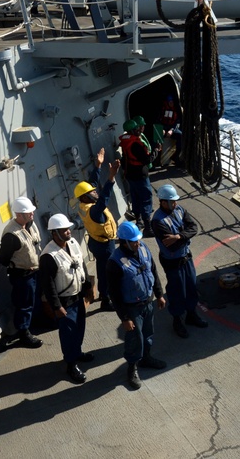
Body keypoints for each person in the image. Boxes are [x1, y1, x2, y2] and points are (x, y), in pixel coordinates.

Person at [106, 221, 167, 390]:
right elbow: (115, 294)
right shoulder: (115, 262)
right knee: (135, 339)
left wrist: (159, 294)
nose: (137, 243)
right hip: (131, 308)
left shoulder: (143, 248)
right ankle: (132, 368)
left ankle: (146, 358)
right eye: (133, 241)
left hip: (147, 302)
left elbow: (152, 271)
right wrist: (124, 318)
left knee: (148, 333)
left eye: (138, 240)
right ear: (123, 242)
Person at [39, 214, 94, 384]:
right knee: (68, 333)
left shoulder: (73, 243)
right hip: (64, 302)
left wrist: (88, 289)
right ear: (54, 233)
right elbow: (48, 285)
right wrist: (56, 306)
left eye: (68, 228)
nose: (68, 231)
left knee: (79, 328)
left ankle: (77, 353)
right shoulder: (48, 255)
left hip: (77, 296)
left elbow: (81, 266)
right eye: (64, 230)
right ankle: (71, 364)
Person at [151, 184, 206, 339]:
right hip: (172, 261)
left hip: (185, 257)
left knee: (191, 286)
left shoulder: (180, 210)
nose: (174, 204)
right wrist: (182, 237)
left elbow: (194, 227)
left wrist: (179, 236)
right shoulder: (157, 221)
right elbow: (172, 244)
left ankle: (191, 314)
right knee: (176, 291)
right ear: (162, 202)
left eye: (175, 201)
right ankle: (177, 320)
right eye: (171, 201)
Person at [75, 148, 121, 311]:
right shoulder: (93, 210)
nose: (95, 192)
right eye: (92, 193)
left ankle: (106, 293)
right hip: (103, 244)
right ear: (85, 197)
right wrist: (111, 176)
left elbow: (92, 183)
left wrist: (98, 165)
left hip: (96, 240)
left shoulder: (84, 202)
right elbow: (103, 198)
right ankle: (106, 298)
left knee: (105, 267)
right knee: (106, 270)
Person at [0, 196, 44, 349]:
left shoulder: (29, 224)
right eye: (29, 213)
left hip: (35, 271)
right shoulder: (11, 235)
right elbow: (3, 259)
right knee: (24, 304)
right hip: (22, 276)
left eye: (32, 212)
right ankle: (24, 333)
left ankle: (33, 323)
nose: (32, 215)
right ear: (19, 215)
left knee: (33, 300)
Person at [118, 117, 154, 235]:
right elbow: (146, 159)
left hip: (130, 174)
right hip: (140, 175)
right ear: (132, 131)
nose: (139, 129)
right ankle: (148, 227)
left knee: (135, 197)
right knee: (146, 198)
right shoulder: (135, 144)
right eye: (136, 128)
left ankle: (139, 221)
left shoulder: (125, 142)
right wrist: (156, 152)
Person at [158, 95, 183, 166]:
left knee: (181, 136)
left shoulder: (176, 110)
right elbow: (158, 121)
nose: (171, 103)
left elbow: (177, 122)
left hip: (172, 129)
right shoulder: (162, 110)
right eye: (170, 102)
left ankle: (176, 156)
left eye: (172, 102)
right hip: (163, 128)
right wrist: (161, 129)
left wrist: (172, 130)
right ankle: (157, 160)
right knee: (157, 137)